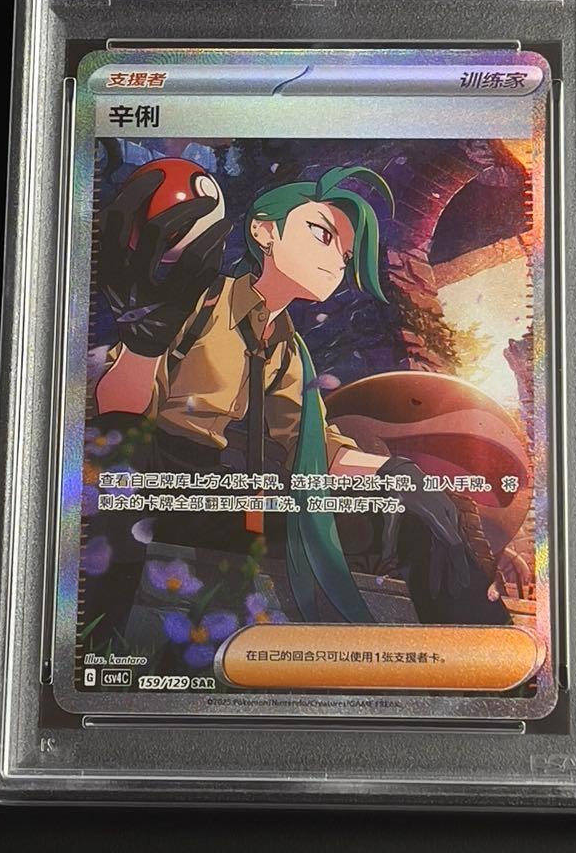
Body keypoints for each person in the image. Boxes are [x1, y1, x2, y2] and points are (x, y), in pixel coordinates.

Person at [93, 162, 507, 626]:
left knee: (411, 506)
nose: (337, 261)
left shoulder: (287, 348)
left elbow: (309, 445)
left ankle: (481, 644)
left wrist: (397, 474)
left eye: (346, 255)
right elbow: (116, 418)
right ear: (265, 231)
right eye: (321, 234)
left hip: (240, 500)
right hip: (165, 489)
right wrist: (144, 344)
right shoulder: (197, 299)